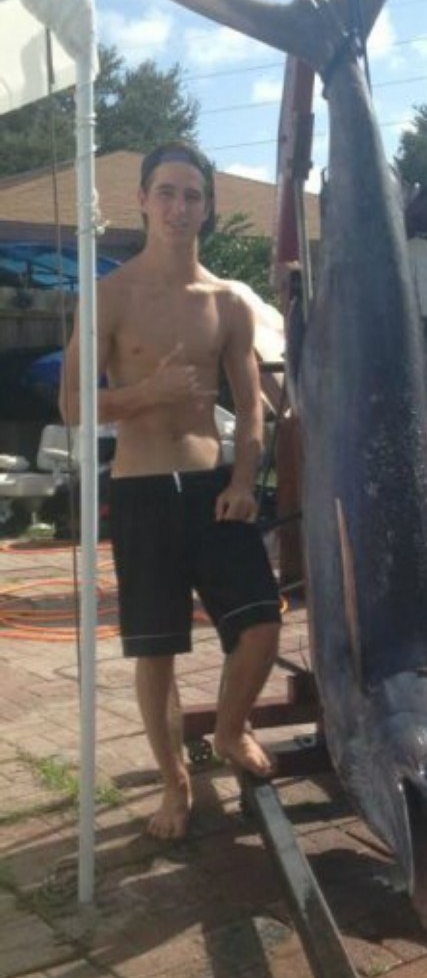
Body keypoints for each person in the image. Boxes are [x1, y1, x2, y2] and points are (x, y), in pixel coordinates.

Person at [60, 140, 282, 841]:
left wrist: (246, 479)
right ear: (143, 200)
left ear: (207, 208)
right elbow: (72, 404)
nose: (178, 207)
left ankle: (227, 727)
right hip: (143, 489)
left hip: (216, 488)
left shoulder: (227, 301)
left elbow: (251, 408)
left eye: (191, 195)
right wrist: (144, 393)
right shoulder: (111, 296)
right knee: (156, 652)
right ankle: (173, 785)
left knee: (261, 626)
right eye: (166, 192)